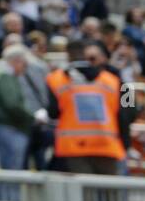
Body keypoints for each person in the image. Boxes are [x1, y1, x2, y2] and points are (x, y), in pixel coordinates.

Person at [46, 40, 135, 176]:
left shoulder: (117, 77)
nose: (90, 60)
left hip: (111, 142)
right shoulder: (71, 76)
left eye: (94, 57)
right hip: (86, 144)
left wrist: (124, 137)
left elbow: (129, 108)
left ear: (105, 57)